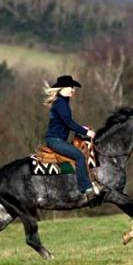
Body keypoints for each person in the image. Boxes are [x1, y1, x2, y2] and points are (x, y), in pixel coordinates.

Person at [43, 75, 97, 204]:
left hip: (57, 139)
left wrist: (81, 128)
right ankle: (87, 189)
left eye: (73, 87)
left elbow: (66, 122)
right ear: (62, 88)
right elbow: (68, 122)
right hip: (55, 140)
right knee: (79, 156)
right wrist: (86, 131)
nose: (73, 89)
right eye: (70, 87)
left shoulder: (61, 102)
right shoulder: (61, 103)